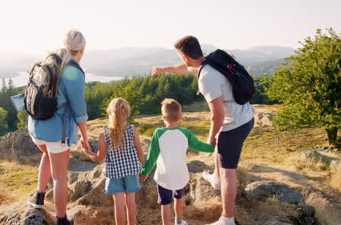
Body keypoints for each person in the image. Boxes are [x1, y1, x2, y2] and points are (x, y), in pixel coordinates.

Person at [150, 36, 254, 225]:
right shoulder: (211, 60)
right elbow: (184, 69)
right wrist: (163, 69)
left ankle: (227, 219)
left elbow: (218, 115)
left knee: (229, 172)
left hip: (235, 124)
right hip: (245, 115)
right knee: (220, 149)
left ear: (184, 55)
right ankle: (216, 176)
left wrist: (210, 137)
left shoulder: (206, 78)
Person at [26, 30, 90, 225]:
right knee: (60, 177)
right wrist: (85, 137)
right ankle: (62, 220)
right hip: (56, 131)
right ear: (81, 50)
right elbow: (79, 109)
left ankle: (38, 198)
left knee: (47, 155)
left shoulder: (48, 60)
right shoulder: (72, 70)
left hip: (36, 126)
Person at [140, 98, 214, 225]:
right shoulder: (185, 133)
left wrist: (146, 171)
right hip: (180, 175)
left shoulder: (158, 133)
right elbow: (199, 146)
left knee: (165, 203)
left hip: (164, 176)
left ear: (163, 117)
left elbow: (152, 155)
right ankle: (179, 222)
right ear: (180, 117)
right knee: (178, 199)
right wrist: (213, 147)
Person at [82, 98, 144, 225]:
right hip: (132, 170)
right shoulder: (133, 130)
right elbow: (140, 152)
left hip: (114, 172)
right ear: (127, 113)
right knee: (131, 202)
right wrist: (141, 168)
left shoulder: (104, 133)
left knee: (119, 205)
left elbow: (100, 158)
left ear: (109, 112)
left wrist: (88, 153)